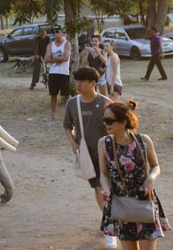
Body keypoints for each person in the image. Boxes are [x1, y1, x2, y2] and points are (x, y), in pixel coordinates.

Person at [98, 99, 170, 248]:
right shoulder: (103, 143)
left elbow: (156, 166)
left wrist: (151, 178)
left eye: (109, 120)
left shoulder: (144, 140)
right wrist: (105, 188)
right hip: (120, 204)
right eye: (104, 119)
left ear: (123, 122)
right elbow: (103, 174)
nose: (105, 123)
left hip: (144, 200)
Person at [63, 67, 112, 248]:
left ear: (93, 83)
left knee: (105, 188)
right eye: (77, 81)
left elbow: (115, 129)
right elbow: (67, 126)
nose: (78, 85)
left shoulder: (106, 104)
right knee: (99, 189)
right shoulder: (72, 104)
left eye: (82, 81)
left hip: (107, 154)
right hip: (87, 156)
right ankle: (109, 223)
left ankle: (110, 225)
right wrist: (73, 144)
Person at [44, 25, 71, 121]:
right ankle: (52, 115)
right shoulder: (50, 45)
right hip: (53, 73)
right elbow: (46, 59)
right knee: (53, 95)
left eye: (57, 31)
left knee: (66, 95)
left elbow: (65, 58)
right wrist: (57, 59)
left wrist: (53, 58)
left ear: (61, 32)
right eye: (53, 32)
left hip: (64, 73)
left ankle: (69, 115)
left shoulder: (66, 44)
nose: (55, 33)